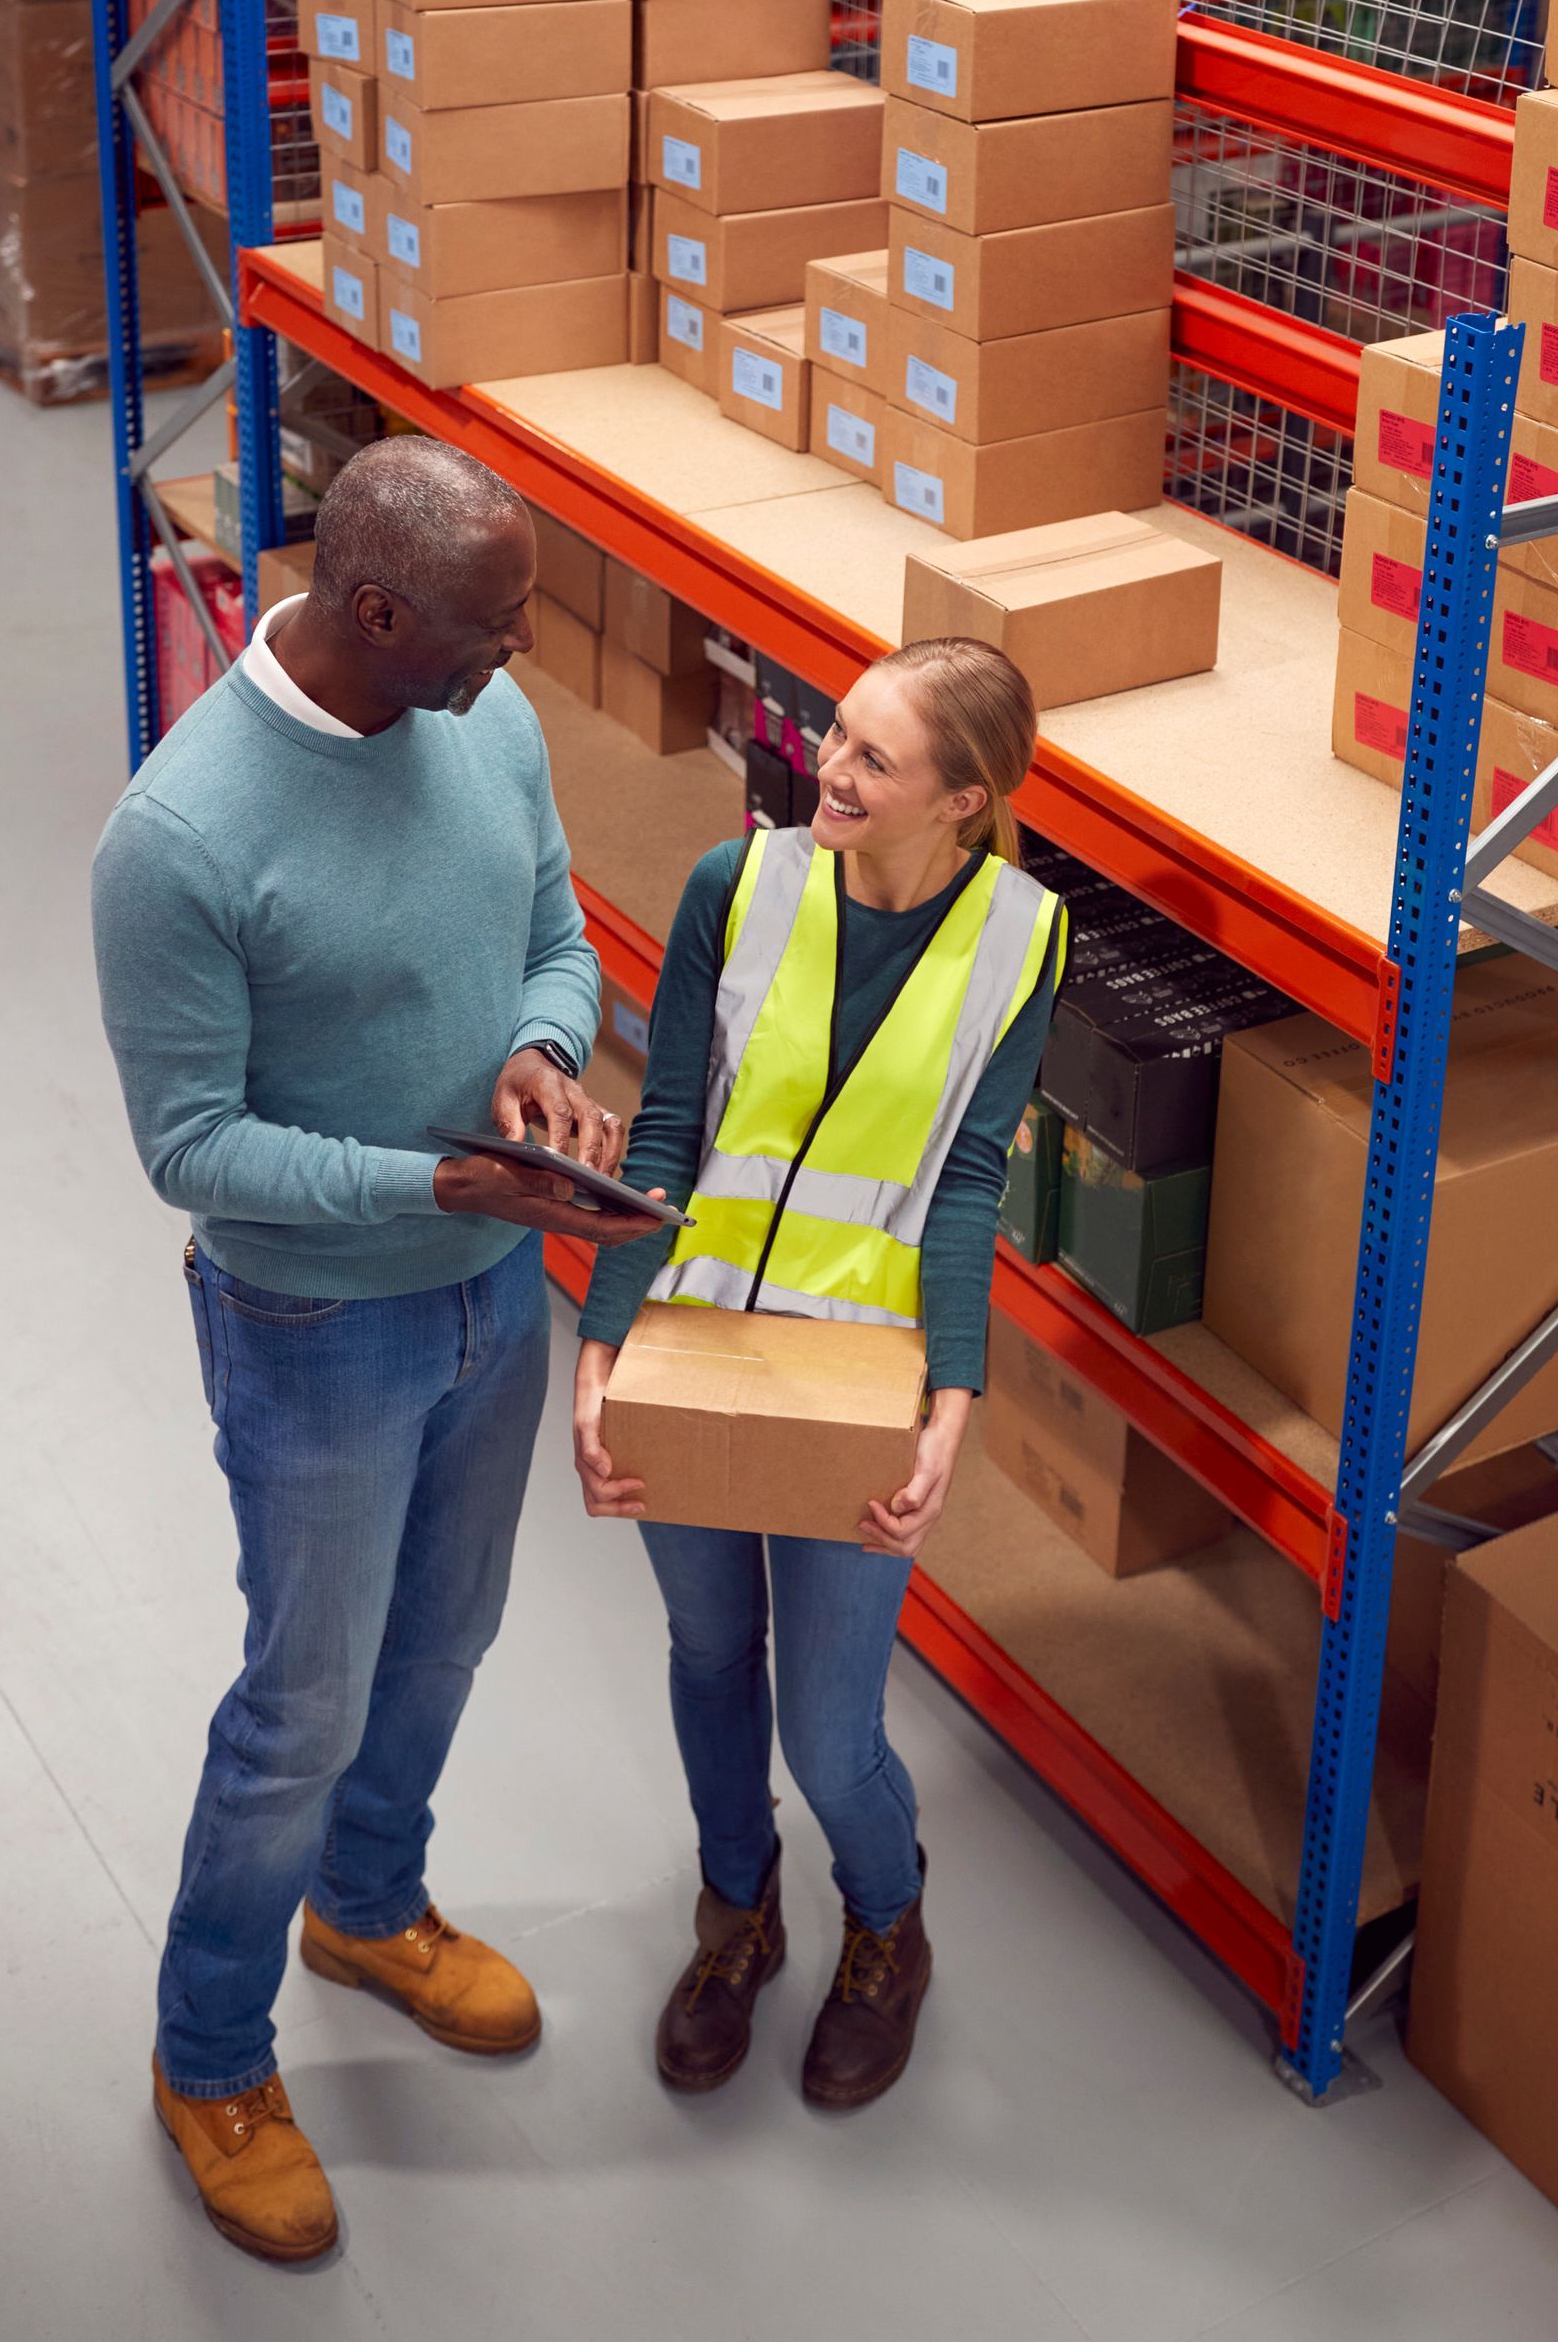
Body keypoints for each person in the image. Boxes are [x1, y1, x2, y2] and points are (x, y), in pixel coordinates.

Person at [92, 438, 657, 2266]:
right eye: (492, 633)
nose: (519, 662)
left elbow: (556, 933)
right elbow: (193, 1145)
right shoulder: (179, 838)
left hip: (496, 1283)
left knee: (448, 1631)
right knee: (300, 1707)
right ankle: (208, 2057)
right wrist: (425, 1177)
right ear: (381, 610)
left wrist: (544, 1062)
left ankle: (372, 1899)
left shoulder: (482, 723)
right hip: (316, 1322)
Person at [572, 636, 1065, 2111]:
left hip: (858, 1379)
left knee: (830, 1726)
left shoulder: (1020, 938)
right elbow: (660, 1127)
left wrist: (952, 1408)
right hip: (694, 1340)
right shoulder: (745, 886)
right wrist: (599, 1354)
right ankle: (739, 1912)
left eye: (871, 759)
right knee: (708, 1656)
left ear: (963, 800)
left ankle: (886, 1923)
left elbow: (970, 1183)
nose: (826, 773)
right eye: (831, 736)